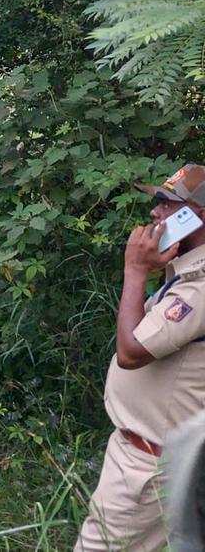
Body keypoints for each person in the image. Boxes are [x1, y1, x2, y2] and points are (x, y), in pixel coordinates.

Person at [76, 164, 205, 551]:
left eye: (166, 205)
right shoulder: (184, 274)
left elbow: (132, 352)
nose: (155, 213)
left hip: (149, 468)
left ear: (195, 216)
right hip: (145, 454)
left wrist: (135, 271)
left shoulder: (199, 290)